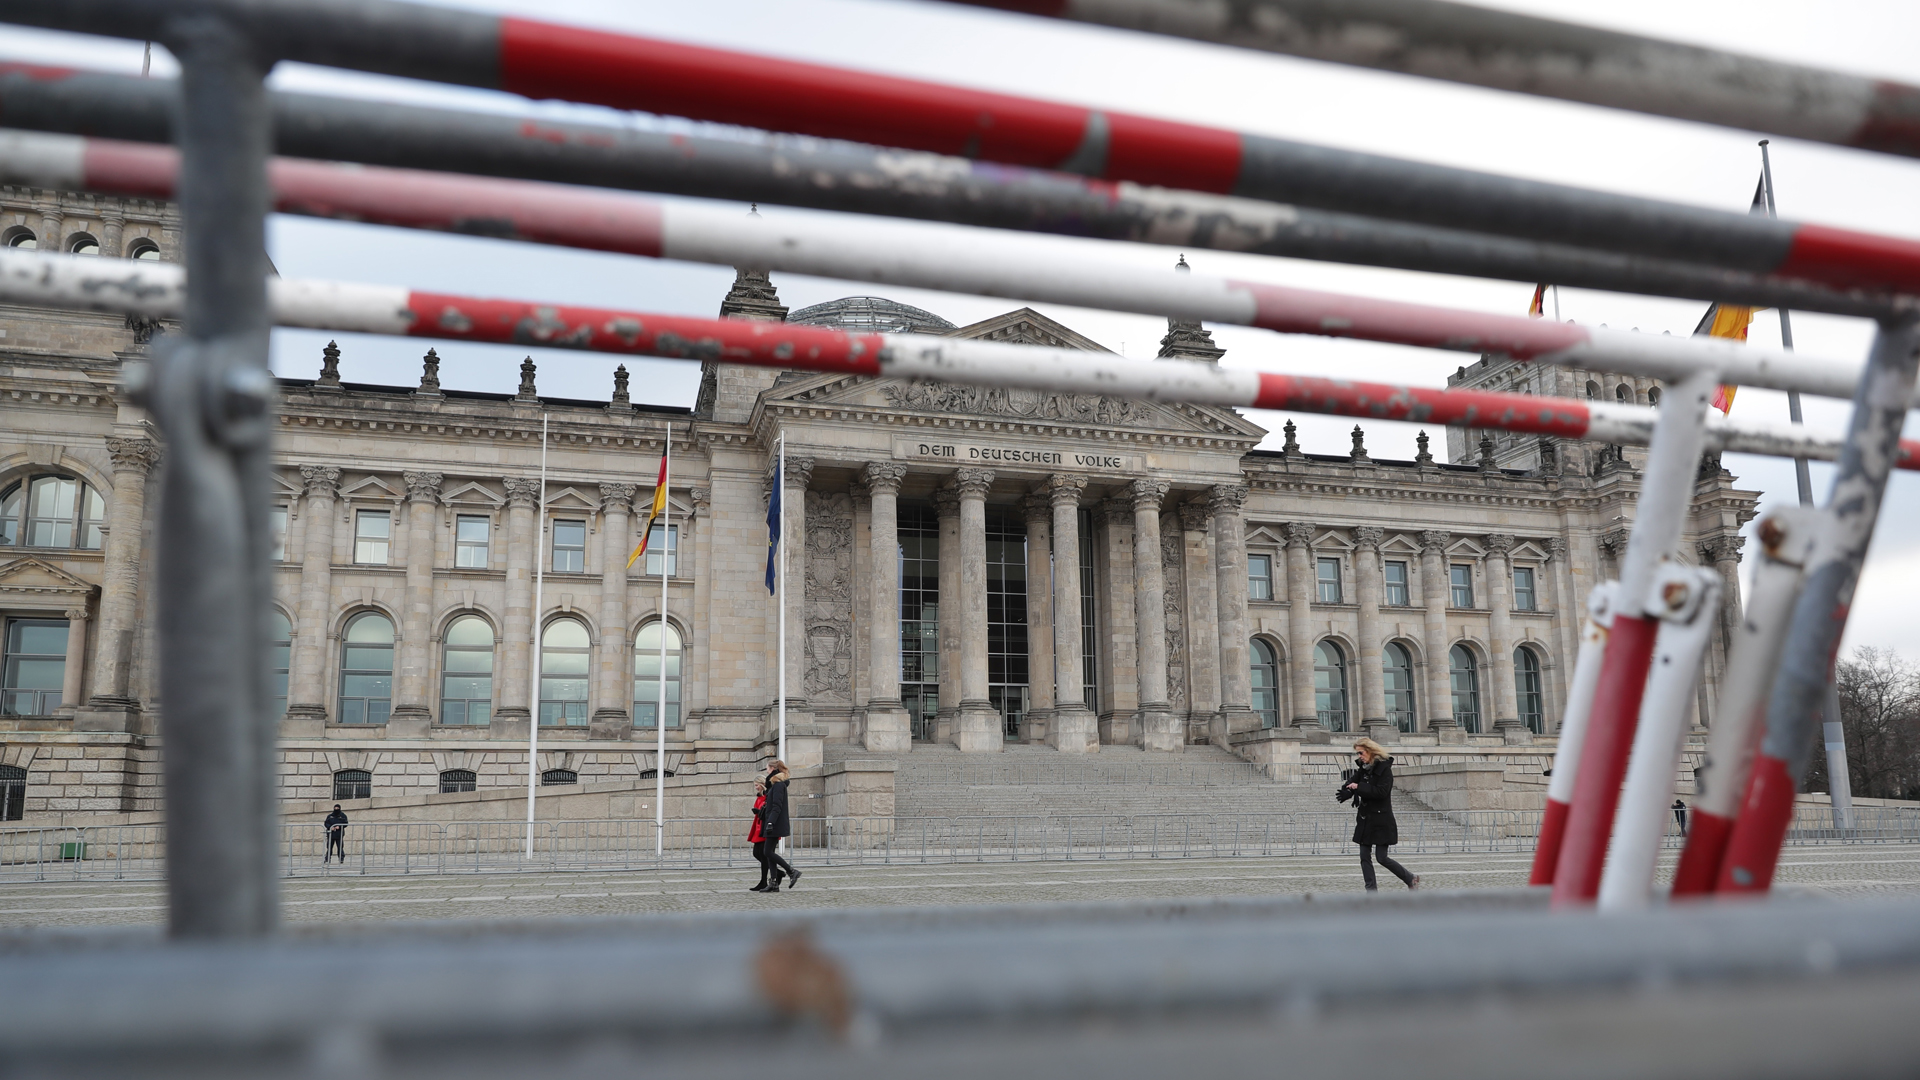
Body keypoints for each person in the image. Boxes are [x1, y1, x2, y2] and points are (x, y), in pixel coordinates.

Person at [1339, 737, 1419, 892]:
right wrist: (1348, 791)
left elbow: (1382, 792)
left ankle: (1410, 878)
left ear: (1370, 751)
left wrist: (1359, 787)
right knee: (1364, 856)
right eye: (1358, 753)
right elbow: (1350, 783)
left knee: (1381, 857)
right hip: (1365, 819)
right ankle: (1371, 891)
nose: (1359, 756)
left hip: (1381, 819)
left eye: (1361, 753)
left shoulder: (1384, 769)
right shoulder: (1363, 769)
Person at [758, 759, 800, 890]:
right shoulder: (774, 785)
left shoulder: (778, 785)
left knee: (767, 852)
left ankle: (791, 871)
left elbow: (777, 806)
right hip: (771, 822)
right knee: (769, 852)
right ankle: (774, 883)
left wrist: (770, 822)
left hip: (774, 823)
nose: (766, 771)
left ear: (772, 769)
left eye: (767, 768)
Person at [748, 779, 779, 892]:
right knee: (757, 853)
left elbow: (769, 810)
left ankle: (764, 880)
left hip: (764, 827)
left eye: (757, 785)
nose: (756, 787)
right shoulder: (760, 797)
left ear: (762, 785)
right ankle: (777, 873)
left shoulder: (767, 796)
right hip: (759, 826)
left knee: (763, 854)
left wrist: (759, 811)